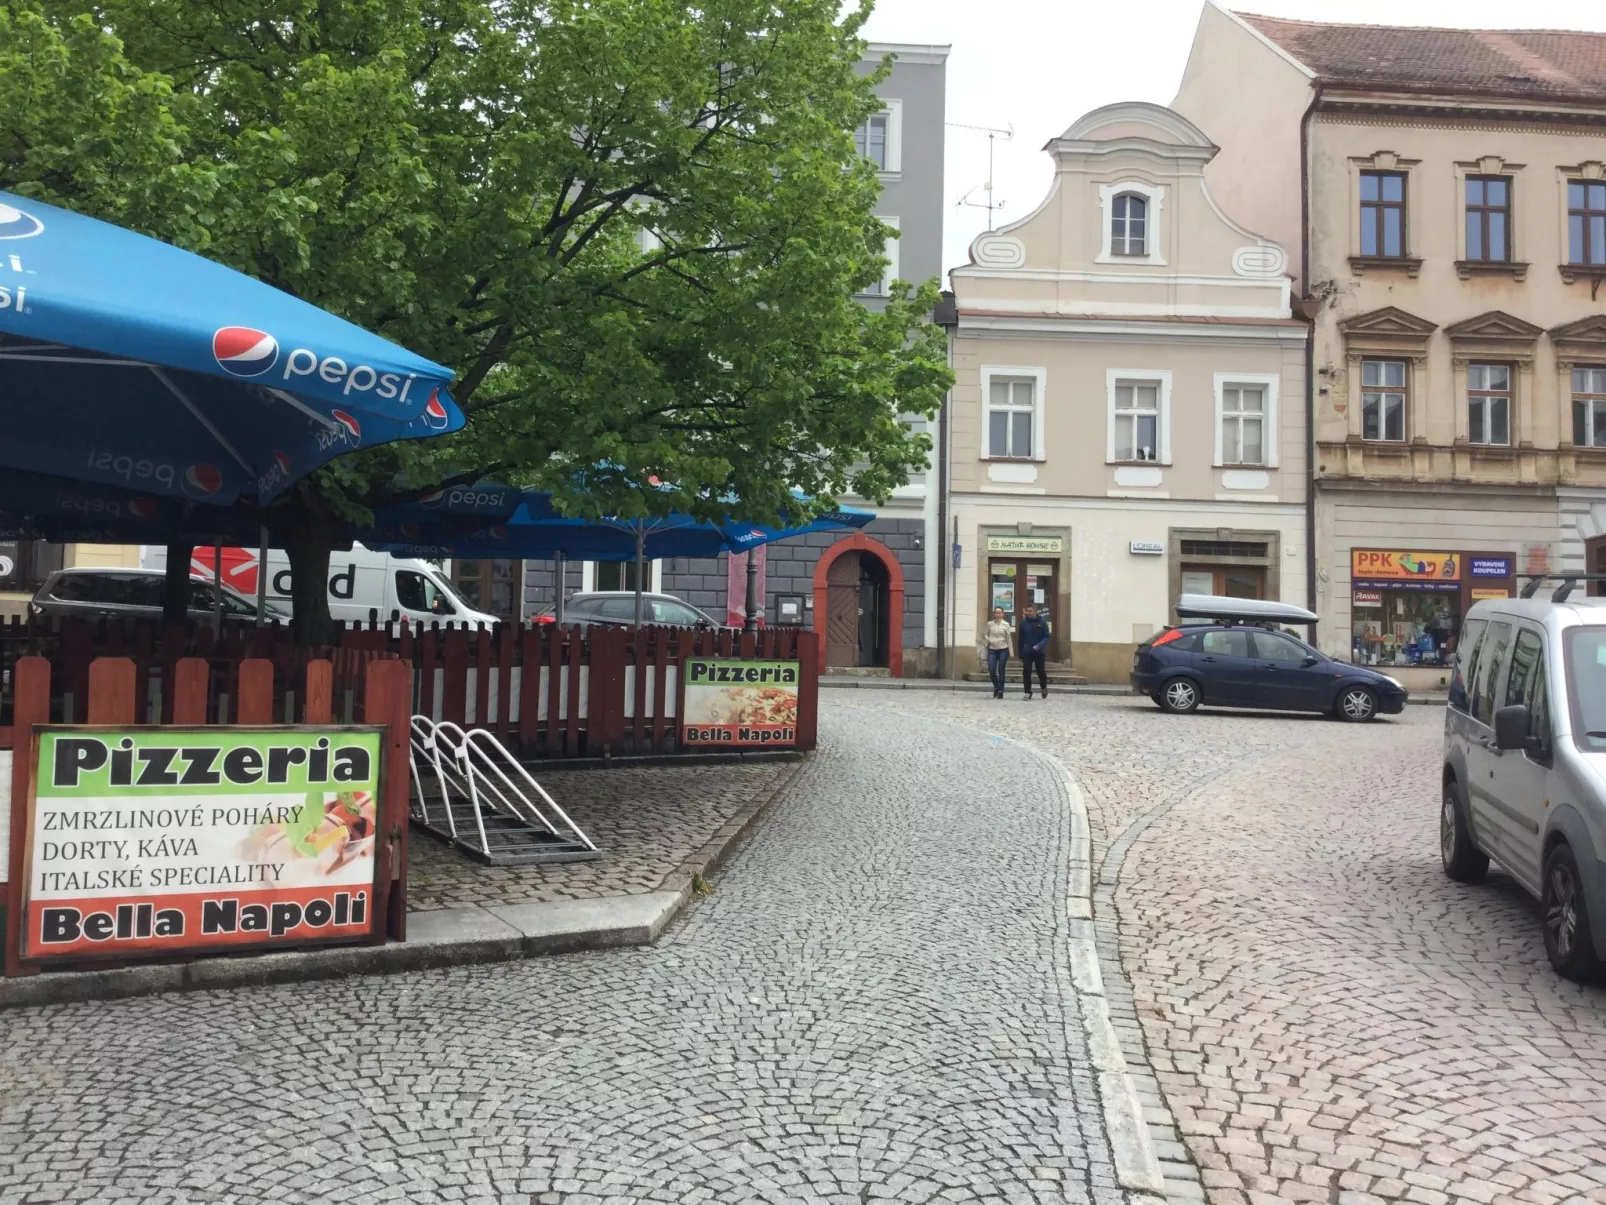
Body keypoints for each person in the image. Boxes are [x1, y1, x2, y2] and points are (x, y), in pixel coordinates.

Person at [1017, 604, 1051, 699]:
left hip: (1039, 652)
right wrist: (1020, 653)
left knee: (1041, 672)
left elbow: (1047, 636)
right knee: (1026, 671)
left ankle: (1043, 687)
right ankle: (1028, 692)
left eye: (1030, 611)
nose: (1028, 613)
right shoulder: (1023, 623)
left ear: (1035, 612)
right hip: (1027, 651)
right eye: (1027, 611)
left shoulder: (1042, 622)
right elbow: (1020, 639)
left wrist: (1039, 645)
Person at [981, 606, 1013, 699]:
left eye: (999, 613)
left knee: (1001, 669)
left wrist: (1011, 652)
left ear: (1003, 614)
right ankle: (996, 686)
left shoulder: (1006, 624)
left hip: (1003, 648)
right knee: (991, 669)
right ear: (994, 614)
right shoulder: (990, 624)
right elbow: (985, 634)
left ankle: (1001, 690)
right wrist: (988, 639)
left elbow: (1008, 638)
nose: (997, 614)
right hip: (992, 649)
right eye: (996, 613)